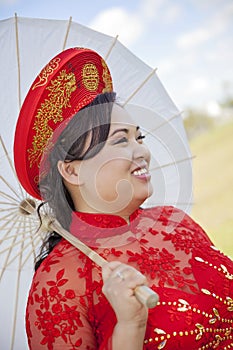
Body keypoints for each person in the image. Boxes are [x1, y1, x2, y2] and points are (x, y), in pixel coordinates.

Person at [14, 48, 233, 350]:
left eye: (139, 137)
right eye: (121, 140)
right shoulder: (57, 283)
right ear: (72, 170)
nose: (142, 151)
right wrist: (130, 327)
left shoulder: (174, 222)